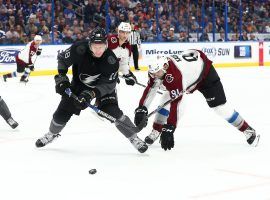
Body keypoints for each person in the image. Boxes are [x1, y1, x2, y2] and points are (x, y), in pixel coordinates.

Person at [35, 27, 148, 153]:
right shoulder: (79, 49)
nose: (98, 50)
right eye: (95, 46)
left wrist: (91, 94)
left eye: (101, 46)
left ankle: (133, 137)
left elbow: (108, 85)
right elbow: (62, 59)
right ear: (89, 44)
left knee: (114, 112)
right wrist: (61, 77)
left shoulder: (111, 61)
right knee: (62, 112)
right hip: (79, 85)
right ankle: (52, 134)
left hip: (101, 88)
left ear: (106, 44)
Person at [134, 50, 260, 151]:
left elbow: (177, 103)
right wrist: (142, 108)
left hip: (205, 75)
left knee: (221, 108)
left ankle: (248, 130)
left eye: (157, 73)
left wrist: (170, 127)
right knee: (164, 100)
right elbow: (151, 88)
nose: (154, 76)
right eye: (152, 73)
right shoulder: (157, 71)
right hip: (189, 74)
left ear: (165, 66)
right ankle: (157, 129)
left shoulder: (175, 76)